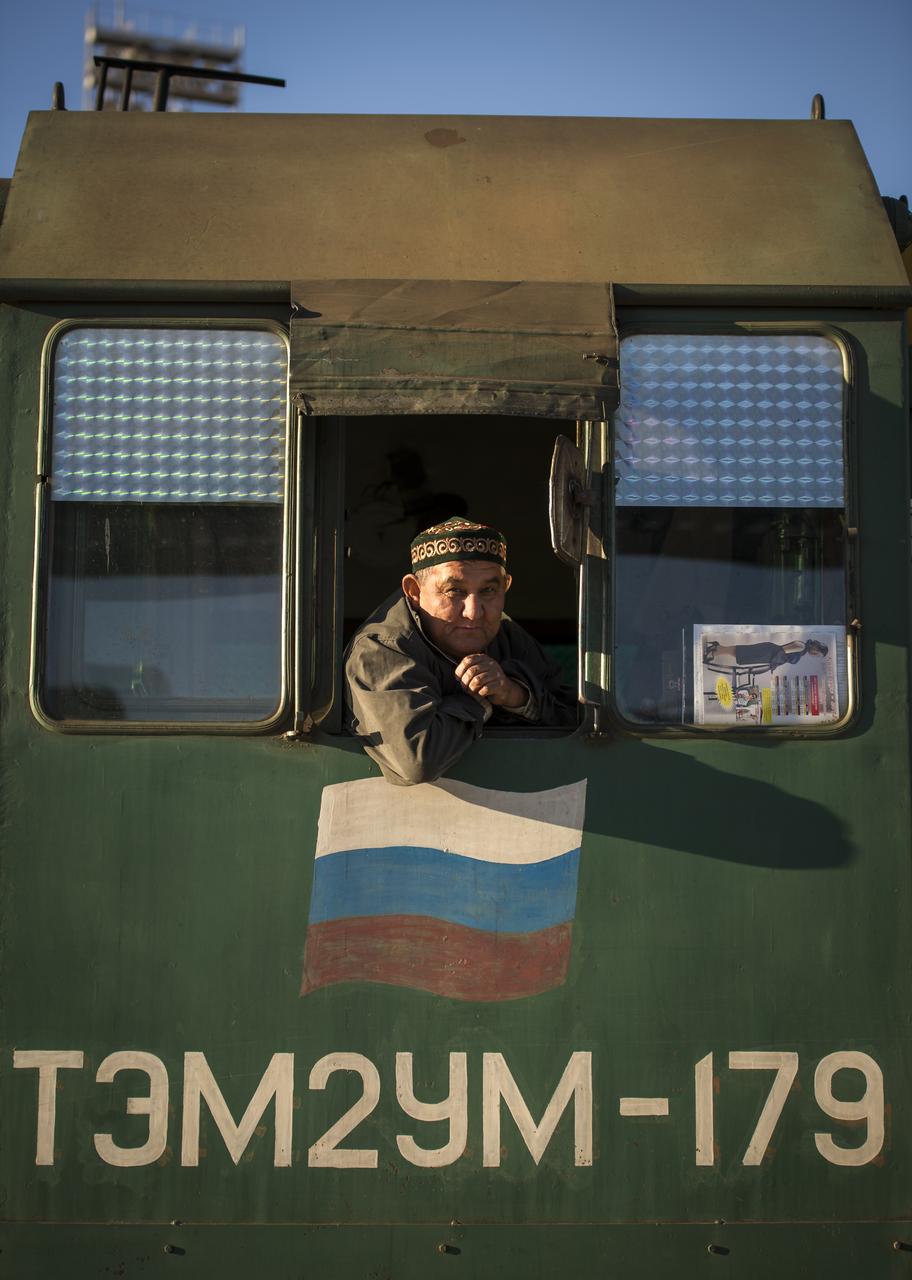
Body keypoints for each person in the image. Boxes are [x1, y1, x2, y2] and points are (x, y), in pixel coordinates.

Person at [345, 516, 577, 786]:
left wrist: (514, 694)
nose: (474, 612)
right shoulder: (380, 648)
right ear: (414, 592)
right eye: (454, 591)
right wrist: (481, 700)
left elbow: (578, 720)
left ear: (506, 587)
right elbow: (418, 760)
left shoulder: (506, 633)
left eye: (489, 590)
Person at [703, 637, 828, 672]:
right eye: (817, 651)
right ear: (815, 646)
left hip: (768, 655)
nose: (815, 653)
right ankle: (717, 651)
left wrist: (774, 664)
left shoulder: (802, 651)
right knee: (742, 653)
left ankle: (717, 647)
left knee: (742, 654)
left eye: (817, 654)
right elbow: (782, 651)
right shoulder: (801, 646)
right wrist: (775, 663)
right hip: (768, 652)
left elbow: (782, 656)